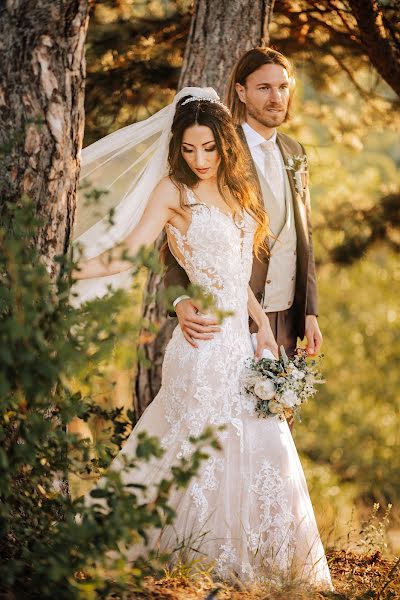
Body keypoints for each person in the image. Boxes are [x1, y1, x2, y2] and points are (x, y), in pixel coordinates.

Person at [73, 87, 332, 588]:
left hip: (244, 343)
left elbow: (238, 275)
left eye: (209, 148)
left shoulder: (239, 190)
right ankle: (187, 561)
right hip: (202, 346)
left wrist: (261, 328)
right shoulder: (174, 191)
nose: (200, 159)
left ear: (225, 144)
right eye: (189, 149)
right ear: (177, 149)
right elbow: (127, 252)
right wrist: (63, 270)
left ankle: (268, 566)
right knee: (196, 448)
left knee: (264, 447)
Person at [165, 48, 322, 360]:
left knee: (279, 408)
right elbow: (180, 227)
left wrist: (310, 311)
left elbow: (304, 236)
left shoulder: (295, 152)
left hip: (288, 317)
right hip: (232, 319)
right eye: (264, 88)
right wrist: (179, 297)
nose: (276, 98)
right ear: (241, 91)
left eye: (282, 87)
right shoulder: (217, 149)